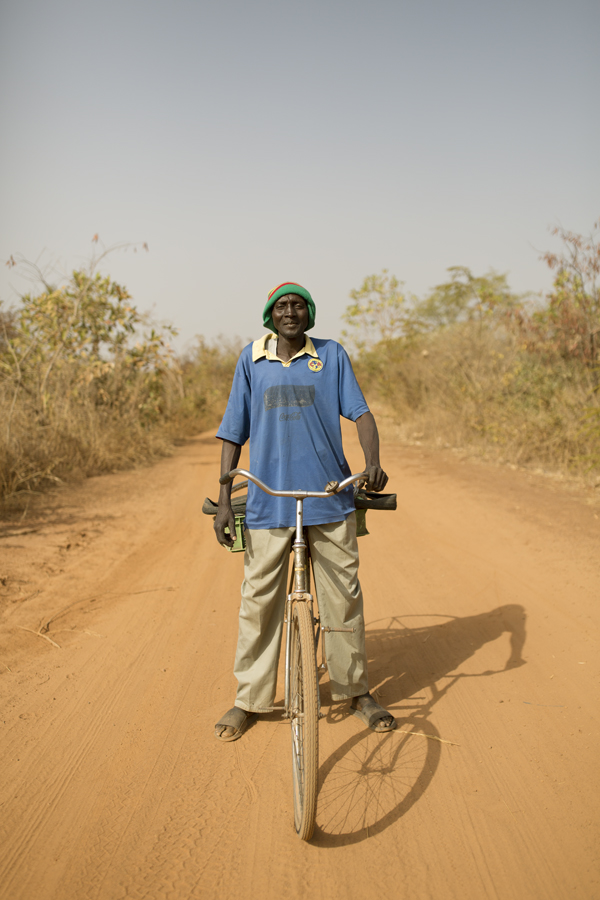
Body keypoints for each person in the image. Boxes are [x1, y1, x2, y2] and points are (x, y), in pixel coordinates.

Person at [213, 282, 396, 741]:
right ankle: (249, 700)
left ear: (309, 313)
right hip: (267, 501)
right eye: (281, 306)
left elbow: (361, 413)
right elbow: (233, 431)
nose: (289, 312)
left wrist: (372, 461)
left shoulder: (331, 355)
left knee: (343, 599)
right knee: (258, 603)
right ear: (270, 315)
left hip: (329, 497)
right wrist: (222, 498)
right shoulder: (251, 359)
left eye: (298, 305)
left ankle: (355, 692)